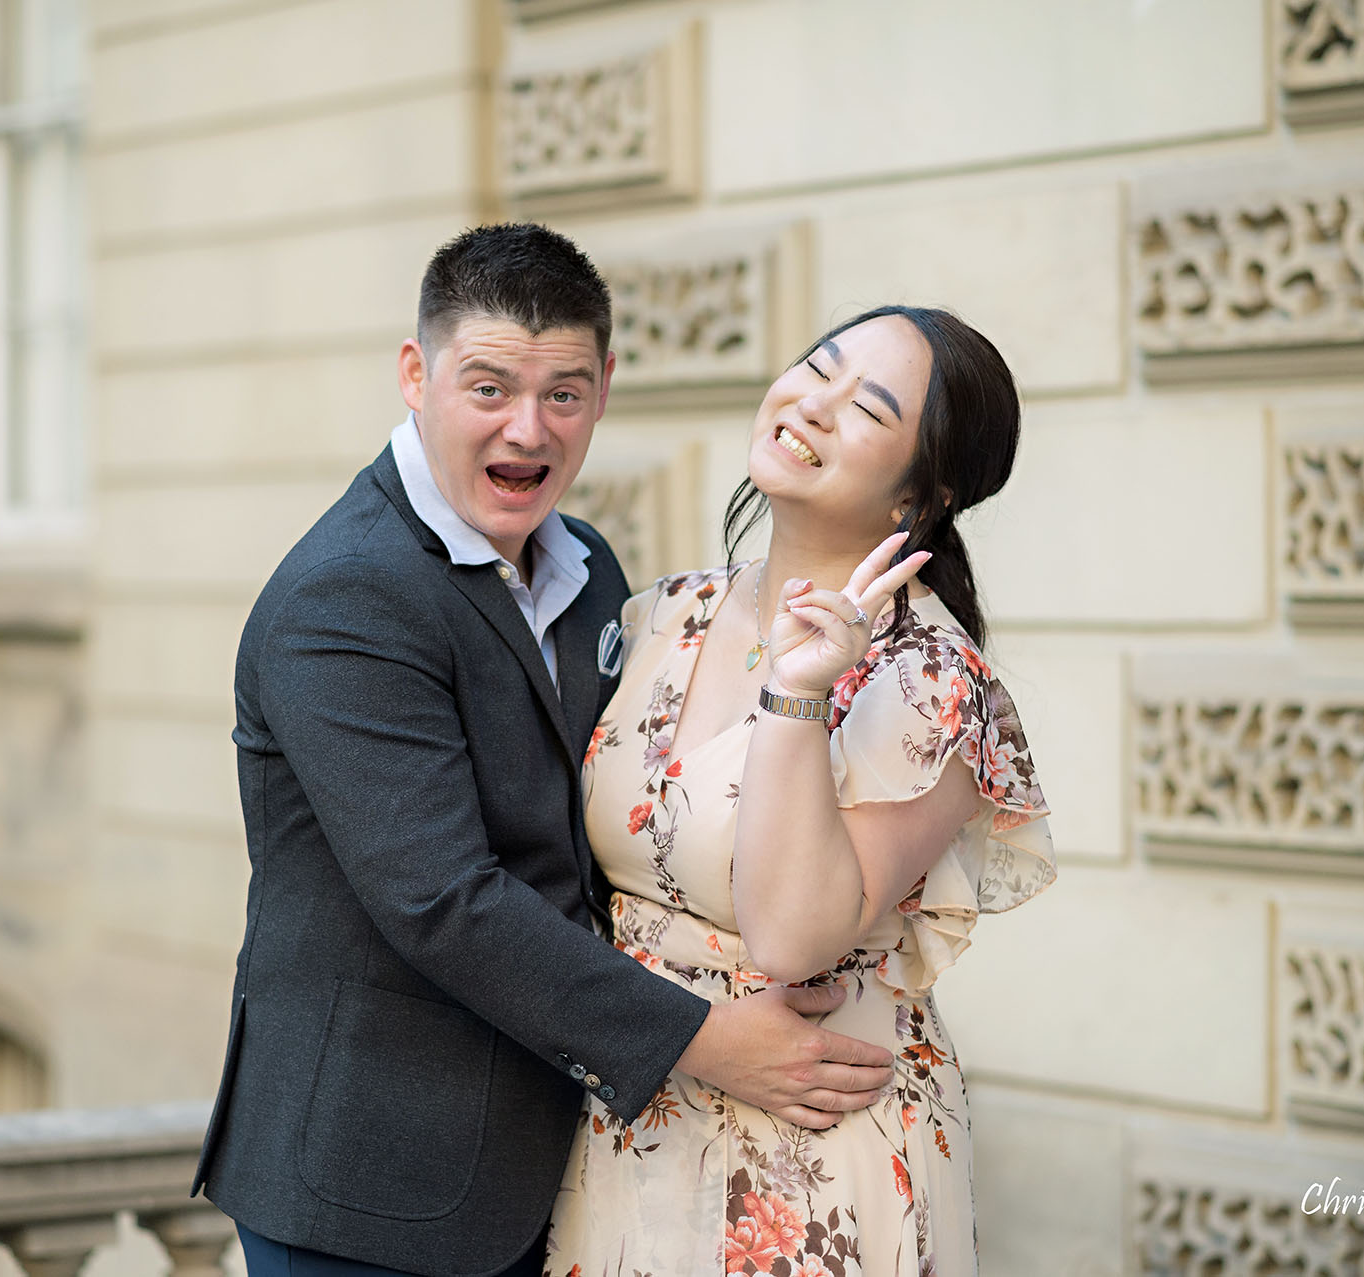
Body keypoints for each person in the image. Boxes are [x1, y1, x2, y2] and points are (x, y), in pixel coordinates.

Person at [188, 224, 898, 1277]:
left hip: (549, 1165)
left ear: (605, 386)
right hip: (369, 1184)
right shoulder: (345, 596)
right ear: (415, 375)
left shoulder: (588, 564)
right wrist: (711, 1039)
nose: (528, 428)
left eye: (563, 392)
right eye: (488, 388)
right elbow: (445, 900)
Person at [543, 305, 1058, 1275]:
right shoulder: (668, 610)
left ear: (921, 494)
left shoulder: (933, 681)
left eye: (863, 406)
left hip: (808, 1154)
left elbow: (789, 935)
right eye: (813, 368)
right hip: (628, 1117)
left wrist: (798, 691)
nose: (810, 405)